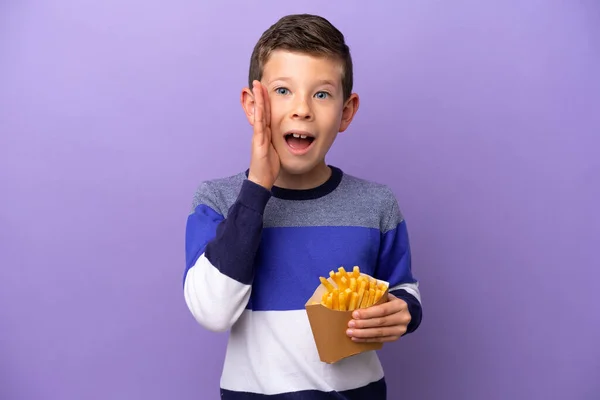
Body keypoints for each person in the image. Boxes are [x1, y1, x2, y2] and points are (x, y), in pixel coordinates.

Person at [183, 13, 422, 399]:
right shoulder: (219, 201)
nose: (302, 109)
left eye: (322, 93)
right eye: (282, 91)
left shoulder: (376, 204)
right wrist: (257, 188)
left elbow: (402, 287)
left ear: (346, 111)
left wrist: (404, 310)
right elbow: (212, 312)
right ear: (251, 105)